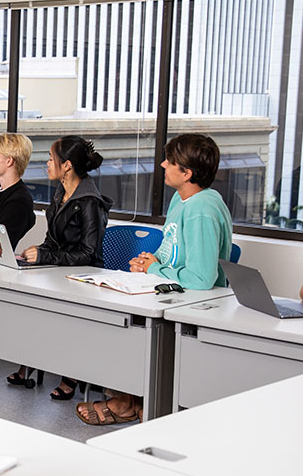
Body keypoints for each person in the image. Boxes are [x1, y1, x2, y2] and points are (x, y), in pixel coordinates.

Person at [76, 133, 232, 425]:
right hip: (170, 291)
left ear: (186, 173)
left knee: (134, 331)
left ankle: (132, 403)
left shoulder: (202, 210)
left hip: (194, 301)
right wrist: (151, 261)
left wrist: (154, 270)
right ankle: (130, 400)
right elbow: (168, 248)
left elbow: (201, 278)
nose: (162, 165)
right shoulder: (181, 199)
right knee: (115, 320)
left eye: (170, 162)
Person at [10, 136, 113, 399]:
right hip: (61, 271)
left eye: (50, 159)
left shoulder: (90, 201)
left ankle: (72, 374)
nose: (46, 163)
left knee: (61, 311)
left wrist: (45, 257)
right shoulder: (60, 193)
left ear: (66, 165)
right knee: (28, 299)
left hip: (84, 277)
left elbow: (89, 253)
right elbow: (52, 240)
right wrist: (37, 254)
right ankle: (28, 360)